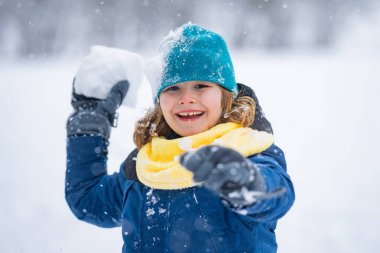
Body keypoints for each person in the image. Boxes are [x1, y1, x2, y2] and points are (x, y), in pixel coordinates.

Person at [65, 23, 295, 253]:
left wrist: (244, 180)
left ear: (225, 96)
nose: (186, 98)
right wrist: (89, 123)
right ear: (159, 101)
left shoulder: (249, 149)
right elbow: (88, 201)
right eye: (173, 88)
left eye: (201, 86)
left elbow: (277, 196)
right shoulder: (145, 164)